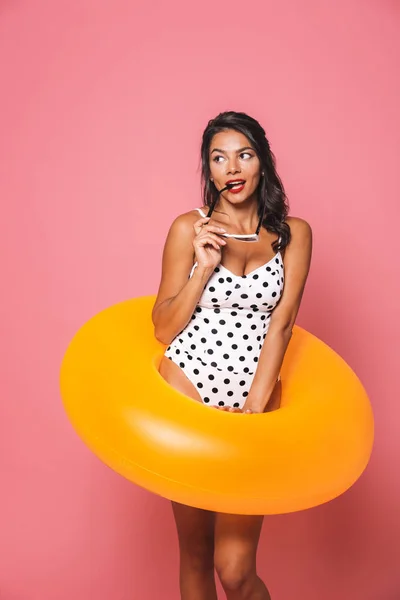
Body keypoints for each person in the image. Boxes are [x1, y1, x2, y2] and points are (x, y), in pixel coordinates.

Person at [152, 111, 312, 600]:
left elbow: (281, 324)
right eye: (218, 158)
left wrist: (256, 410)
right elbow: (162, 328)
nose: (232, 167)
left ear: (262, 161)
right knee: (197, 554)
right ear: (210, 169)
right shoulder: (189, 228)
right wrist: (202, 269)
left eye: (243, 154)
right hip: (188, 383)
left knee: (236, 568)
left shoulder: (293, 234)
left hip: (253, 397)